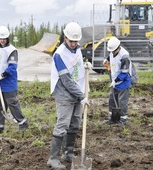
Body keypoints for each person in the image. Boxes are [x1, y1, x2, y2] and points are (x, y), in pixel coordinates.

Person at [47, 22, 91, 169]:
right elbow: (66, 80)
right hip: (64, 93)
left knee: (74, 123)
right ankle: (53, 159)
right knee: (63, 124)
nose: (73, 44)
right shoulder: (59, 55)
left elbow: (76, 66)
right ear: (65, 37)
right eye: (71, 41)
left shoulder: (77, 49)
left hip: (77, 92)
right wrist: (82, 95)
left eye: (76, 41)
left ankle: (68, 153)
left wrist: (85, 65)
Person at [0, 25, 28, 135]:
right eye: (0, 39)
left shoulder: (12, 50)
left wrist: (3, 75)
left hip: (8, 83)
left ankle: (22, 122)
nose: (2, 41)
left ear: (8, 38)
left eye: (4, 39)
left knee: (12, 104)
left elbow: (12, 68)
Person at [103, 36, 131, 125]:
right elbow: (110, 56)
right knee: (112, 98)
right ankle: (112, 117)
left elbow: (124, 73)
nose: (112, 52)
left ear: (118, 47)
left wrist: (116, 81)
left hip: (123, 82)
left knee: (122, 100)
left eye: (114, 50)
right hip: (114, 80)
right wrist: (106, 60)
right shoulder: (112, 51)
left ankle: (123, 119)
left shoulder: (124, 56)